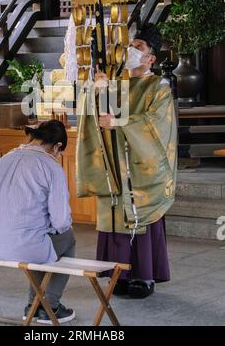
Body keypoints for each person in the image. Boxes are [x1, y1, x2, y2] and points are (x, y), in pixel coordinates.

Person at [77, 24, 177, 298]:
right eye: (130, 45)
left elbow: (157, 125)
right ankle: (115, 272)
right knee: (114, 214)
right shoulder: (114, 82)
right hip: (116, 165)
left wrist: (120, 122)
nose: (131, 51)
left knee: (139, 215)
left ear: (151, 59)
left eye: (139, 47)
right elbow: (96, 118)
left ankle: (143, 275)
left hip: (141, 168)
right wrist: (96, 90)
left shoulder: (159, 86)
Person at [0, 120, 76, 324]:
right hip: (20, 247)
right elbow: (60, 220)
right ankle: (50, 307)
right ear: (56, 146)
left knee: (39, 239)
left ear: (33, 137)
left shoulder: (4, 159)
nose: (58, 156)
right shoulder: (50, 166)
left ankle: (35, 305)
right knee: (66, 238)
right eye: (60, 151)